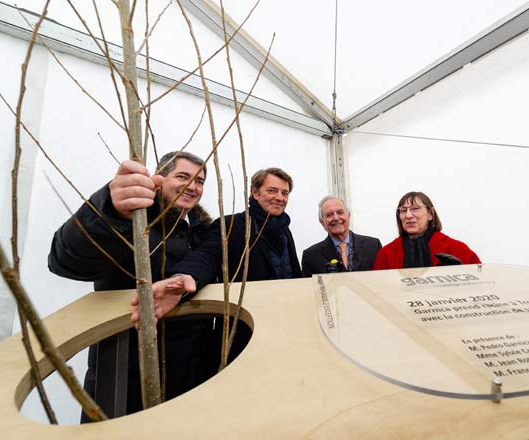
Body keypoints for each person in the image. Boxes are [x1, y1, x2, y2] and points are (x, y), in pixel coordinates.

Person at [48, 151, 217, 420]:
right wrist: (107, 211)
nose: (193, 187)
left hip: (188, 368)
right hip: (126, 366)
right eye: (183, 177)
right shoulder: (134, 220)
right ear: (160, 179)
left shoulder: (202, 231)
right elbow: (66, 260)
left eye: (200, 181)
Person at [140, 167, 301, 321]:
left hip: (284, 317)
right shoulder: (231, 225)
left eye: (284, 193)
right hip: (245, 324)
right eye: (272, 190)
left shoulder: (284, 231)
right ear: (255, 193)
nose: (279, 197)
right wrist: (185, 276)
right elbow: (209, 255)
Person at [373, 191, 481, 270]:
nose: (408, 215)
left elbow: (480, 282)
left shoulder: (457, 248)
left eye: (415, 209)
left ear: (430, 214)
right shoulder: (386, 253)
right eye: (403, 210)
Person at [301, 196, 382, 276]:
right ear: (322, 222)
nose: (336, 218)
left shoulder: (373, 246)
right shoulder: (310, 256)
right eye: (329, 215)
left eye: (340, 212)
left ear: (348, 216)